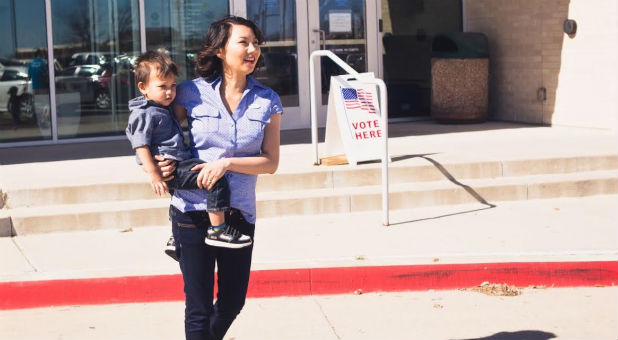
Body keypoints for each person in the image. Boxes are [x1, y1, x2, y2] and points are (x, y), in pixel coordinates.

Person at [156, 16, 282, 340]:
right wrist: (160, 165)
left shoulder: (268, 100)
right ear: (220, 50)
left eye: (255, 43)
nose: (252, 49)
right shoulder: (189, 94)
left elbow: (270, 163)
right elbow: (162, 134)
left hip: (238, 211)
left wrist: (227, 163)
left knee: (232, 301)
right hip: (192, 210)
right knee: (197, 307)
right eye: (244, 42)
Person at [125, 51, 252, 261]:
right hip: (172, 167)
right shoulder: (144, 113)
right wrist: (153, 173)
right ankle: (218, 229)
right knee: (213, 177)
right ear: (143, 87)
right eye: (162, 87)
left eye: (173, 86)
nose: (169, 92)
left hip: (176, 163)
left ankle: (176, 238)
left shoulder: (159, 108)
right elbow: (140, 144)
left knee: (178, 196)